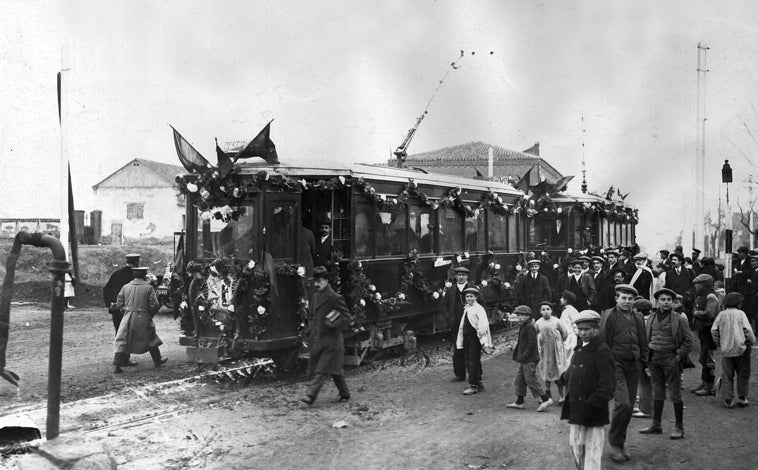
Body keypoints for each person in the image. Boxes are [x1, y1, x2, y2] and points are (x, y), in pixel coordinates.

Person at [560, 310, 616, 470]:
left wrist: (591, 405)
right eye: (580, 329)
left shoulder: (601, 350)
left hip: (592, 412)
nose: (583, 332)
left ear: (596, 329)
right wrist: (564, 377)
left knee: (591, 453)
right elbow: (573, 369)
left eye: (587, 329)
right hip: (577, 408)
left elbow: (608, 386)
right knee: (576, 448)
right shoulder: (580, 347)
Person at [598, 283, 647, 463]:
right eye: (623, 298)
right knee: (623, 404)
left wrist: (644, 362)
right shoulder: (609, 316)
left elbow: (643, 341)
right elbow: (603, 342)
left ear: (634, 300)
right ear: (617, 298)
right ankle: (614, 443)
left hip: (634, 365)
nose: (627, 301)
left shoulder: (638, 317)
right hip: (615, 365)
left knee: (629, 407)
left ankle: (620, 442)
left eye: (630, 298)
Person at [638, 288, 694, 440]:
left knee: (675, 393)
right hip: (654, 358)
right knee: (657, 391)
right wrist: (647, 358)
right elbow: (645, 340)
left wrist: (678, 357)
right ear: (657, 301)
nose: (666, 302)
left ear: (673, 302)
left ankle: (679, 427)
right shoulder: (650, 318)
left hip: (670, 358)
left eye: (669, 300)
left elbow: (689, 341)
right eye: (663, 299)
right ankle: (656, 425)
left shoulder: (679, 319)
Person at [301, 266, 354, 405]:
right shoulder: (314, 297)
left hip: (332, 340)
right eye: (315, 281)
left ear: (326, 280)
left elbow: (347, 317)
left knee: (322, 369)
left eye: (320, 281)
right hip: (319, 339)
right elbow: (312, 317)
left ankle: (310, 395)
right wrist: (309, 330)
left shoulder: (335, 298)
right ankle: (345, 393)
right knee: (335, 370)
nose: (317, 284)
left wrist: (335, 324)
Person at [112, 266, 167, 373]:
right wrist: (149, 314)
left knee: (123, 340)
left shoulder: (126, 287)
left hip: (127, 316)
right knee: (150, 338)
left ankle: (117, 366)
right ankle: (157, 360)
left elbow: (119, 303)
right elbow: (154, 305)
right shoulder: (148, 288)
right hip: (143, 316)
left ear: (134, 275)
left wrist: (125, 311)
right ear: (144, 275)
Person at [711, 292, 756, 408]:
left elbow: (714, 330)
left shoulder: (721, 315)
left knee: (727, 375)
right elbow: (748, 331)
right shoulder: (741, 314)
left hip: (726, 350)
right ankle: (742, 397)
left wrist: (720, 343)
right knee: (743, 373)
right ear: (738, 303)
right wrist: (751, 342)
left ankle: (728, 399)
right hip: (741, 349)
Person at [506, 305, 554, 412]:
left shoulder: (530, 327)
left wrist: (524, 355)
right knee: (520, 379)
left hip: (529, 358)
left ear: (528, 316)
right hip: (525, 358)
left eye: (523, 315)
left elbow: (531, 343)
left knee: (530, 379)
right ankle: (519, 401)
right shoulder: (524, 326)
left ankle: (546, 398)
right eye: (519, 315)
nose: (520, 317)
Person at [456, 286, 493, 395]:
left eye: (471, 296)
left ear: (476, 297)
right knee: (469, 359)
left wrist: (481, 333)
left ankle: (473, 385)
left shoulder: (479, 309)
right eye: (467, 297)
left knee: (473, 360)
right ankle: (479, 382)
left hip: (474, 338)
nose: (469, 298)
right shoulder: (467, 308)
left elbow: (483, 323)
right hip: (467, 337)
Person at [442, 266, 474, 382]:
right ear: (455, 276)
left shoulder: (472, 289)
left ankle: (473, 375)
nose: (461, 277)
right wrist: (448, 318)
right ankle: (459, 374)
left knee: (470, 350)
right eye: (459, 275)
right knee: (458, 349)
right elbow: (444, 305)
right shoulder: (451, 290)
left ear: (467, 277)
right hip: (455, 324)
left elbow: (481, 305)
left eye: (463, 275)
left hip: (469, 325)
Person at [691, 273, 721, 396]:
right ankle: (704, 383)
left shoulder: (711, 297)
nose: (696, 286)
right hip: (703, 330)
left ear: (704, 285)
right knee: (703, 358)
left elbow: (709, 313)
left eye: (698, 284)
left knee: (709, 359)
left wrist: (696, 313)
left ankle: (709, 386)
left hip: (709, 331)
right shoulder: (701, 296)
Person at [535, 301, 568, 402]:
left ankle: (561, 396)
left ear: (551, 310)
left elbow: (564, 334)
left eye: (548, 309)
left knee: (558, 372)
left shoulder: (557, 321)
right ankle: (548, 396)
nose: (546, 312)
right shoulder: (538, 323)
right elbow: (535, 334)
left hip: (556, 351)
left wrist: (558, 344)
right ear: (540, 312)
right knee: (546, 373)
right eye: (543, 310)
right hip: (545, 351)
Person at [631, 299, 654, 420]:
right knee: (645, 381)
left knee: (645, 382)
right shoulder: (652, 319)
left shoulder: (642, 322)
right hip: (649, 354)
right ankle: (644, 406)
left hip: (646, 355)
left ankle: (646, 409)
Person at [664, 252, 695, 320]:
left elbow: (693, 286)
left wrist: (688, 296)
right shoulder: (669, 273)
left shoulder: (689, 272)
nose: (672, 261)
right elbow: (667, 287)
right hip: (674, 301)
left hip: (686, 302)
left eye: (675, 260)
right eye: (672, 260)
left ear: (680, 261)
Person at [559, 290, 580, 372]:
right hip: (565, 338)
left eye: (562, 298)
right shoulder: (565, 310)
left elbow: (577, 323)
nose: (560, 299)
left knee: (570, 359)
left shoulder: (572, 311)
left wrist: (575, 335)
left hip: (571, 338)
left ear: (566, 300)